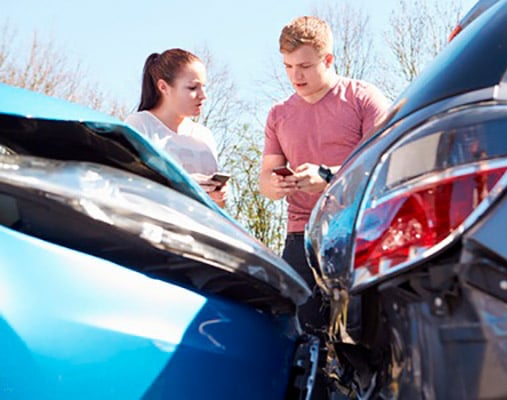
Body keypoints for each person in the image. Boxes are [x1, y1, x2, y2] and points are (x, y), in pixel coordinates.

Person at [259, 15, 390, 397]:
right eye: (287, 67)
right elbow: (266, 183)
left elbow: (383, 169)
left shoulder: (364, 98)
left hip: (357, 234)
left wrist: (330, 179)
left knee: (364, 344)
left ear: (328, 60)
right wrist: (278, 183)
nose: (294, 76)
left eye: (304, 66)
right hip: (300, 238)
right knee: (303, 345)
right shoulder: (278, 114)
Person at [125, 48, 227, 208]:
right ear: (163, 87)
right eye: (193, 88)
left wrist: (218, 196)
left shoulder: (204, 135)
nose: (203, 95)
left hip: (200, 229)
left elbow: (218, 208)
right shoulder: (140, 125)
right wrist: (184, 186)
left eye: (204, 87)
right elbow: (129, 188)